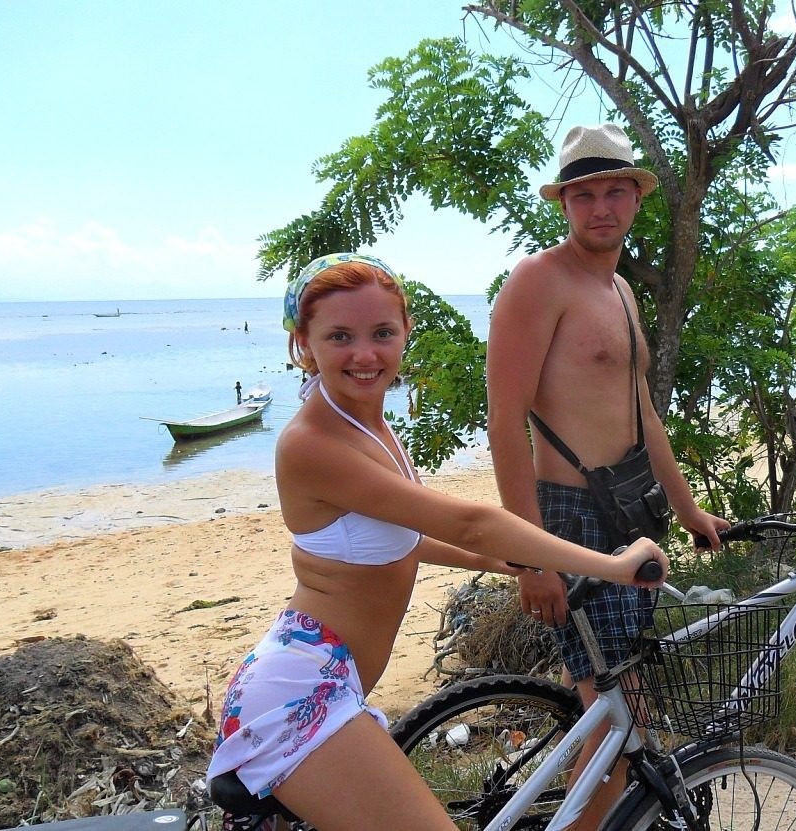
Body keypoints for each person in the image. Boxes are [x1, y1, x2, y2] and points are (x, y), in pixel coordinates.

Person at [205, 252, 668, 831]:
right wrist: (612, 565)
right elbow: (469, 521)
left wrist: (509, 563)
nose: (365, 354)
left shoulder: (367, 422)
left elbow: (403, 537)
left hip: (331, 678)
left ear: (405, 332)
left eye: (382, 333)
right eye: (340, 336)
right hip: (298, 691)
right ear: (304, 344)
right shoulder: (311, 442)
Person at [487, 123, 730, 828]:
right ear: (564, 204)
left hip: (633, 511)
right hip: (571, 517)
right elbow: (504, 422)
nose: (601, 208)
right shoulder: (538, 281)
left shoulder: (620, 289)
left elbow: (642, 413)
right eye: (585, 195)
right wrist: (530, 556)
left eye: (615, 192)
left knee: (614, 706)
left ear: (636, 198)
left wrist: (688, 510)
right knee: (620, 715)